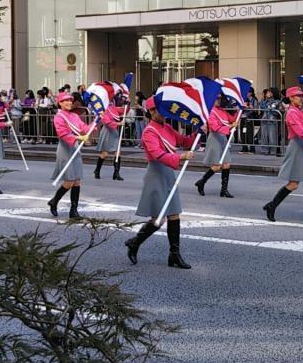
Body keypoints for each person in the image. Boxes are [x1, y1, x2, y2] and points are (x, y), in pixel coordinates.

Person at [124, 98, 198, 269]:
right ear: (151, 112)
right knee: (158, 219)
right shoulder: (149, 132)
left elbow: (183, 141)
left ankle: (174, 255)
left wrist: (197, 133)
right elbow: (158, 154)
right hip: (156, 174)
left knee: (174, 214)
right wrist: (180, 156)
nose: (165, 114)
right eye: (160, 111)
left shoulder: (167, 127)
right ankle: (135, 243)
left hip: (168, 175)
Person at [262, 86, 303, 224]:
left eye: (302, 95)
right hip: (296, 147)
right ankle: (272, 206)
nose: (302, 98)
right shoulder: (291, 113)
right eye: (299, 96)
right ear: (292, 99)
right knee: (293, 184)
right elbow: (300, 132)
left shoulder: (300, 112)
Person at [49, 92, 94, 219]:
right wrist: (78, 137)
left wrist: (96, 122)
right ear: (60, 103)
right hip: (65, 149)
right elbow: (62, 134)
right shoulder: (59, 117)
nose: (69, 102)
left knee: (77, 181)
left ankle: (73, 211)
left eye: (70, 100)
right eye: (65, 101)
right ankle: (54, 201)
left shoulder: (74, 115)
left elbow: (84, 128)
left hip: (75, 148)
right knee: (69, 181)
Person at [194, 95, 240, 198]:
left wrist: (238, 111)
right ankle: (202, 182)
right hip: (214, 139)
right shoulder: (210, 111)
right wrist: (229, 127)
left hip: (223, 138)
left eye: (220, 99)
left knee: (226, 164)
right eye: (217, 99)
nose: (219, 100)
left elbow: (231, 119)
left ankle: (224, 190)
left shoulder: (222, 110)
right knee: (216, 166)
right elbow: (214, 127)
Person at [94, 92, 128, 181]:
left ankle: (116, 173)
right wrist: (119, 123)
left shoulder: (113, 107)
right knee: (104, 154)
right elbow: (106, 122)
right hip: (107, 132)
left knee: (118, 153)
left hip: (114, 132)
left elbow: (123, 110)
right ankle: (97, 170)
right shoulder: (103, 109)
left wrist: (127, 103)